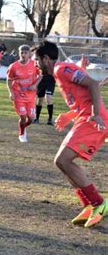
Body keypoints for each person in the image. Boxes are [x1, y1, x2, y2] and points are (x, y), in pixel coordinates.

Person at [32, 40, 108, 228]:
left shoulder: (60, 70)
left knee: (63, 160)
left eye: (36, 60)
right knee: (61, 162)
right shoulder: (62, 72)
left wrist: (96, 115)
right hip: (84, 118)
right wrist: (69, 115)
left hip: (92, 121)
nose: (35, 64)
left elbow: (94, 84)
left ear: (46, 58)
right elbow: (83, 95)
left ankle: (99, 203)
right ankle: (90, 204)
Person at [6, 44, 41, 143]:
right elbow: (9, 80)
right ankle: (22, 134)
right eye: (22, 52)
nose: (23, 54)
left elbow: (41, 75)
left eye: (26, 53)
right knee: (23, 116)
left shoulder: (35, 64)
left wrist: (35, 84)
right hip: (18, 95)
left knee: (31, 119)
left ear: (29, 54)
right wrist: (11, 92)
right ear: (19, 53)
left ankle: (23, 127)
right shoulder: (13, 66)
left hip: (31, 96)